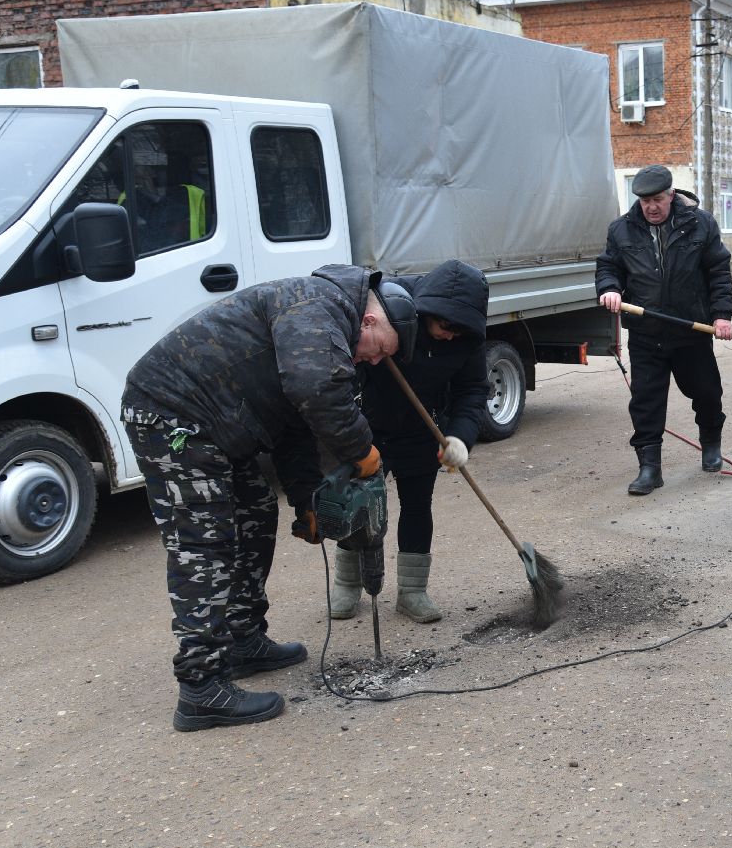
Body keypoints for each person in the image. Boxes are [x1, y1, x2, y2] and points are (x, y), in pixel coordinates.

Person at [122, 264, 417, 732]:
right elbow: (314, 390)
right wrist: (362, 451)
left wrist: (306, 500)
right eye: (380, 350)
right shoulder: (318, 304)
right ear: (369, 321)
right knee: (205, 544)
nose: (376, 361)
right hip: (173, 415)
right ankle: (201, 688)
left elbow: (295, 423)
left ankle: (243, 639)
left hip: (217, 426)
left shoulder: (326, 322)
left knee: (256, 514)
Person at [332, 259, 492, 624]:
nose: (450, 335)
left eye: (459, 330)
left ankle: (412, 591)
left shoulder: (467, 337)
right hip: (368, 426)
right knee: (357, 504)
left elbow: (472, 390)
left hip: (423, 429)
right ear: (428, 312)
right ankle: (347, 583)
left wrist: (460, 438)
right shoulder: (393, 308)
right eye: (445, 327)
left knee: (418, 506)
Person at [596, 165, 732, 495]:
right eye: (645, 201)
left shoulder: (700, 224)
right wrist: (610, 288)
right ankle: (649, 469)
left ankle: (711, 444)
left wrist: (722, 315)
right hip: (646, 334)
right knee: (645, 401)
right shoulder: (621, 230)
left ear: (671, 195)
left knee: (706, 393)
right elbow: (608, 267)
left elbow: (718, 272)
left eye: (657, 199)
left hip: (691, 331)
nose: (651, 207)